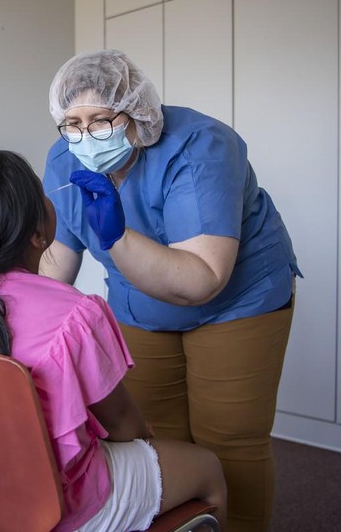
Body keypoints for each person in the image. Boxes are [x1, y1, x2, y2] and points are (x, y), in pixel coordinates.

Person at [41, 49, 301, 532]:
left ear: (136, 115)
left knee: (229, 442)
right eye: (72, 123)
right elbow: (59, 256)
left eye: (101, 119)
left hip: (237, 301)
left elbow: (201, 279)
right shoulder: (65, 158)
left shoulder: (201, 147)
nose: (85, 136)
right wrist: (15, 305)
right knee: (155, 443)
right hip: (140, 305)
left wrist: (117, 235)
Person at [0, 150, 226, 532]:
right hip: (62, 504)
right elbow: (124, 424)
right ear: (38, 232)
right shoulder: (76, 315)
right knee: (208, 468)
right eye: (41, 192)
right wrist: (146, 443)